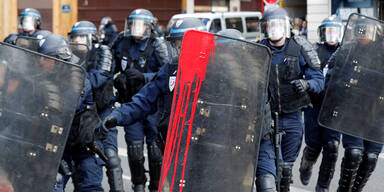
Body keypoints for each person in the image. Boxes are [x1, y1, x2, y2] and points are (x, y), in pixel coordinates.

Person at [105, 17, 204, 192]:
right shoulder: (171, 69)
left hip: (205, 150)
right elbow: (144, 99)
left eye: (185, 43)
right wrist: (116, 116)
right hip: (174, 150)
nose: (180, 49)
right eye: (177, 44)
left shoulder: (216, 70)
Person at [257, 7, 324, 192]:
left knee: (286, 170)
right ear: (265, 28)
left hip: (293, 117)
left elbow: (319, 79)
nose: (275, 30)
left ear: (286, 27)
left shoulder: (299, 47)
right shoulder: (258, 49)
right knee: (270, 171)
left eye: (279, 25)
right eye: (271, 25)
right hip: (266, 120)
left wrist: (307, 84)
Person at [110, 8, 169, 192]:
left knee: (155, 151)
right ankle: (138, 185)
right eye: (134, 24)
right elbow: (108, 68)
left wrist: (144, 77)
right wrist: (116, 80)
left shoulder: (158, 46)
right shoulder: (121, 42)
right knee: (135, 150)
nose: (136, 28)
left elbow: (167, 73)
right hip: (131, 104)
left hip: (153, 107)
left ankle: (156, 187)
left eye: (141, 25)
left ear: (150, 27)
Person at [38, 34, 106, 192]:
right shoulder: (48, 76)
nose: (41, 62)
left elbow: (66, 107)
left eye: (45, 58)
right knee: (51, 184)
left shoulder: (77, 77)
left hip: (84, 142)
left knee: (90, 186)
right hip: (60, 141)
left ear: (59, 59)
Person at [325, 18, 384, 192]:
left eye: (366, 31)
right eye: (360, 31)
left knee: (371, 158)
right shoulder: (347, 51)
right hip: (353, 110)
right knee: (354, 153)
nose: (362, 35)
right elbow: (331, 77)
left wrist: (363, 76)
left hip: (377, 112)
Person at [68, 21, 124, 192]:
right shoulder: (70, 55)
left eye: (81, 37)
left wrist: (77, 80)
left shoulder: (103, 52)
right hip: (81, 116)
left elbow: (97, 79)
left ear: (91, 38)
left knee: (111, 158)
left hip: (102, 113)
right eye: (74, 37)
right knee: (81, 166)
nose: (77, 41)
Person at [299, 15, 343, 192]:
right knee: (314, 145)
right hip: (315, 106)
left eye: (335, 31)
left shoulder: (346, 52)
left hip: (335, 108)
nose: (332, 35)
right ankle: (306, 163)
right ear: (323, 33)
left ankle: (322, 187)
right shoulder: (314, 51)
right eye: (328, 31)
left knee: (332, 147)